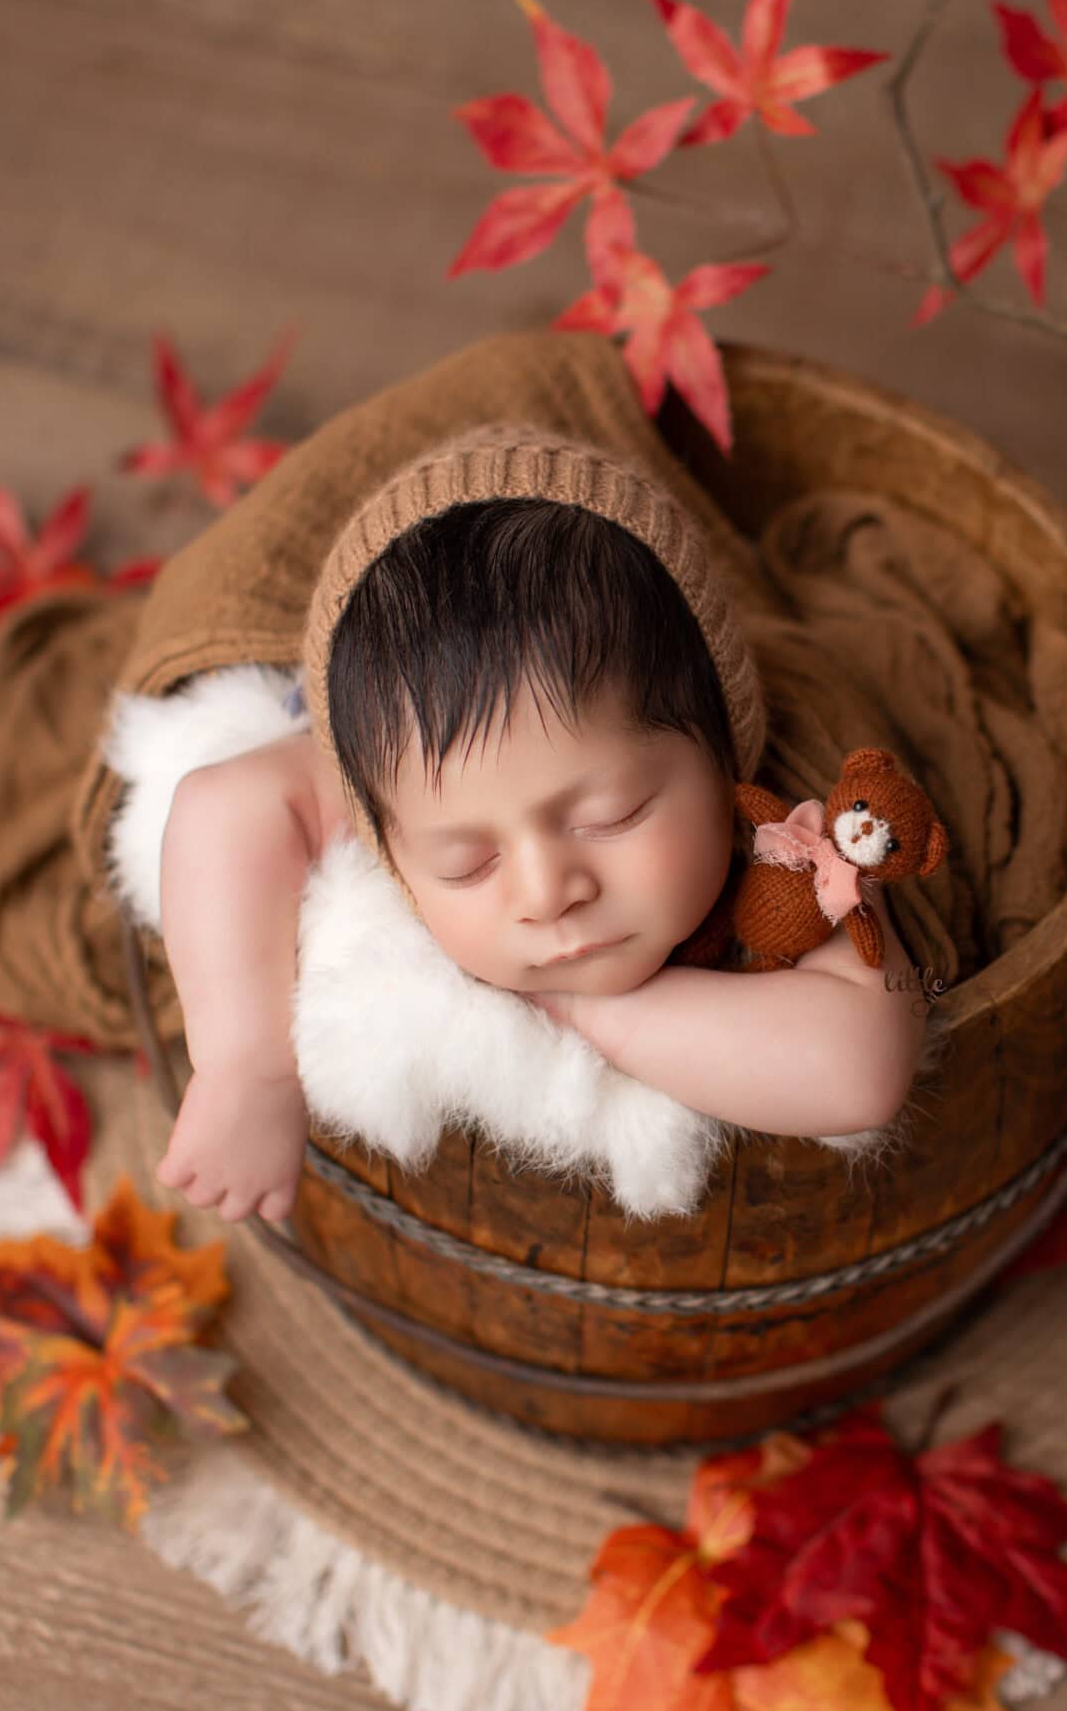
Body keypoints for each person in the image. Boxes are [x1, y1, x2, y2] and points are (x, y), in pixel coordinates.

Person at [150, 480, 926, 1226]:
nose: (547, 892)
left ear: (723, 748)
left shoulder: (793, 830)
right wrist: (246, 1068)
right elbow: (223, 804)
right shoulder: (407, 762)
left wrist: (586, 1010)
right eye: (466, 863)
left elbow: (858, 1072)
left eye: (611, 817)